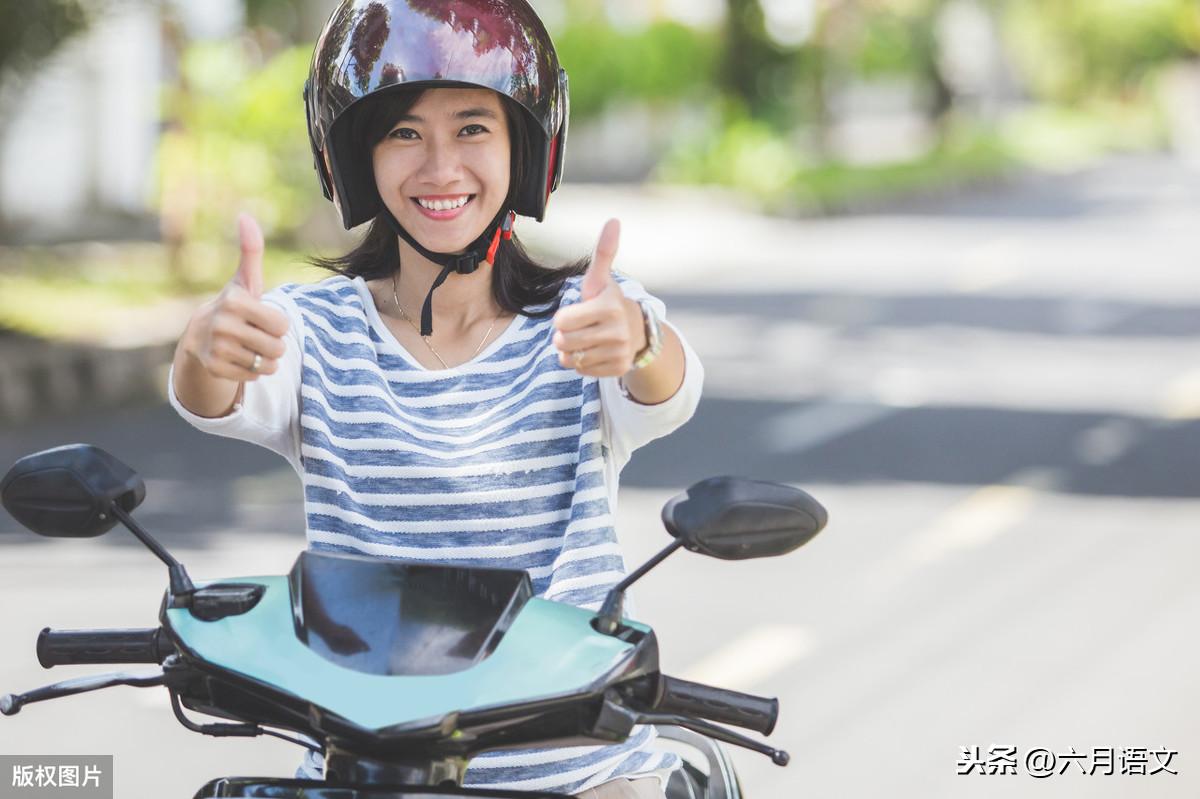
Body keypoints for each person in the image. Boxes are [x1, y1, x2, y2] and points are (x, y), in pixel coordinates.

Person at [167, 1, 703, 797]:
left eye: (473, 129)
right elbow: (216, 393)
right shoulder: (313, 330)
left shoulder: (585, 321)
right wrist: (203, 345)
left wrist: (640, 340)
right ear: (357, 156)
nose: (440, 168)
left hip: (582, 778)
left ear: (525, 147)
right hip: (360, 775)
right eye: (404, 133)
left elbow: (669, 389)